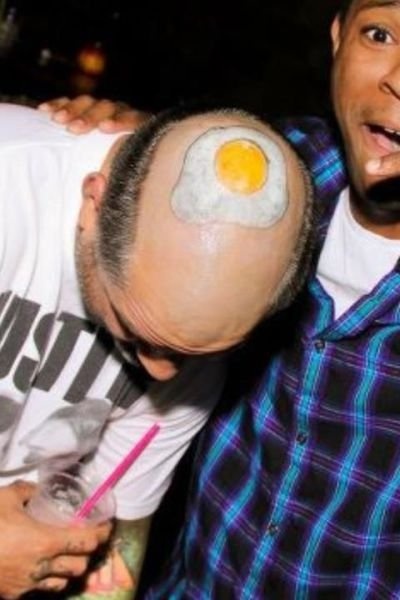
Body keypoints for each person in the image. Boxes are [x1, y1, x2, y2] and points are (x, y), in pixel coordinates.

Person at [43, 0, 400, 597]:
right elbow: (166, 166)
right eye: (381, 33)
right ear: (339, 37)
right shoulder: (270, 179)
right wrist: (125, 141)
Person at [0, 102, 313, 599]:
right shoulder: (10, 186)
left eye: (195, 353)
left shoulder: (196, 346)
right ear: (94, 207)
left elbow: (114, 567)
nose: (164, 375)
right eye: (138, 334)